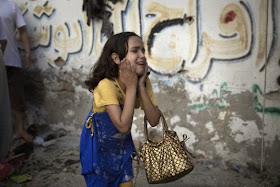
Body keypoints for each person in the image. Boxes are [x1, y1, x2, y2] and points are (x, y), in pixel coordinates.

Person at [80, 32, 161, 187]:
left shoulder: (142, 81)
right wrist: (131, 87)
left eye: (143, 50)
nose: (142, 55)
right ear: (116, 58)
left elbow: (154, 120)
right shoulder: (106, 85)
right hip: (97, 151)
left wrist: (141, 85)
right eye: (135, 50)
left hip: (121, 149)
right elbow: (123, 127)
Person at [0, 0, 33, 142]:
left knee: (17, 96)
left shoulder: (11, 6)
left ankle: (20, 130)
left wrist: (28, 53)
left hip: (11, 58)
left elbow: (23, 31)